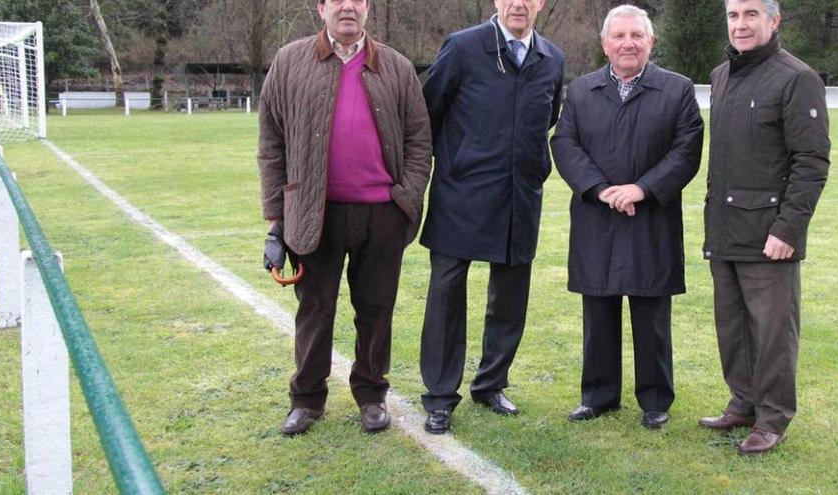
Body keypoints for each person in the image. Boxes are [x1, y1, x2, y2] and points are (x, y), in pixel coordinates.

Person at [257, 0, 432, 436]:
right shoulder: (290, 61)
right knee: (314, 310)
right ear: (321, 8)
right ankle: (307, 399)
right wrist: (277, 216)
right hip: (315, 211)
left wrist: (406, 198)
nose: (348, 6)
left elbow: (418, 138)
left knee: (376, 310)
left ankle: (372, 394)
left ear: (367, 9)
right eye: (337, 0)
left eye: (357, 0)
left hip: (382, 214)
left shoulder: (395, 66)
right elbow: (271, 141)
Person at [550, 4, 703, 430]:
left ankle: (655, 399)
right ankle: (598, 395)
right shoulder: (580, 92)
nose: (627, 43)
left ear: (651, 41)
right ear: (604, 44)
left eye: (636, 35)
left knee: (651, 310)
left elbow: (687, 149)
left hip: (650, 216)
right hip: (596, 217)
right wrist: (600, 190)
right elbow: (565, 145)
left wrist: (642, 188)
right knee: (597, 307)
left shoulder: (677, 90)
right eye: (618, 36)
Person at [418, 0, 564, 434]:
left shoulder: (553, 58)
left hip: (520, 196)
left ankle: (491, 384)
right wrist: (457, 160)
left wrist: (533, 168)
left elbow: (549, 117)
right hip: (460, 194)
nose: (518, 3)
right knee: (446, 293)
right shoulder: (462, 48)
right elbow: (428, 113)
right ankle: (440, 397)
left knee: (510, 295)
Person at [699, 0, 830, 454]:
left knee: (773, 332)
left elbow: (811, 161)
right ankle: (743, 403)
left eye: (751, 14)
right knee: (732, 328)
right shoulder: (721, 76)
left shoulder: (797, 78)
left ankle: (772, 418)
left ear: (774, 22)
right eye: (734, 15)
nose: (741, 24)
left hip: (770, 234)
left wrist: (788, 229)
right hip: (724, 228)